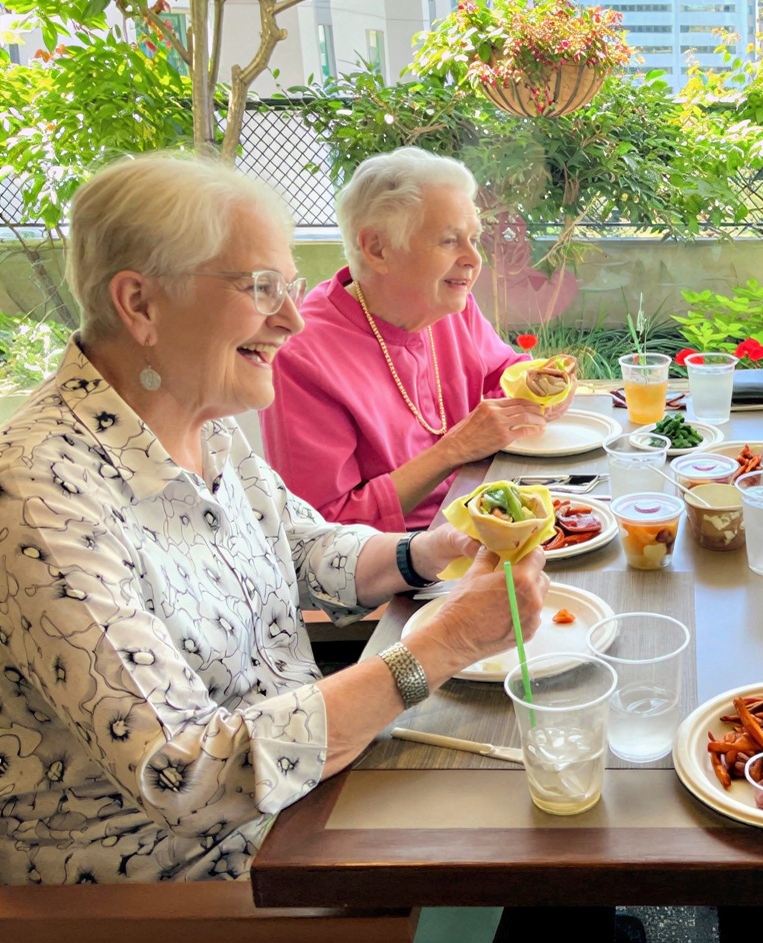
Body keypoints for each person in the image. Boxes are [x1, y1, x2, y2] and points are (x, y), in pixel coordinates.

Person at [0, 154, 548, 884]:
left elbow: (301, 547)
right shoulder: (40, 496)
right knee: (537, 828)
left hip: (307, 794)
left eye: (289, 288)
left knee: (551, 786)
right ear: (139, 304)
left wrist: (430, 548)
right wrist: (439, 648)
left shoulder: (199, 423)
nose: (292, 319)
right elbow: (186, 775)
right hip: (203, 884)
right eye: (261, 289)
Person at [261, 147, 568, 533]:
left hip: (492, 517)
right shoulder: (302, 355)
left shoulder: (450, 305)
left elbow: (504, 375)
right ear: (378, 248)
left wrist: (544, 384)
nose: (474, 259)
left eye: (473, 239)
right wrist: (455, 449)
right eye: (449, 241)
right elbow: (322, 529)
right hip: (399, 567)